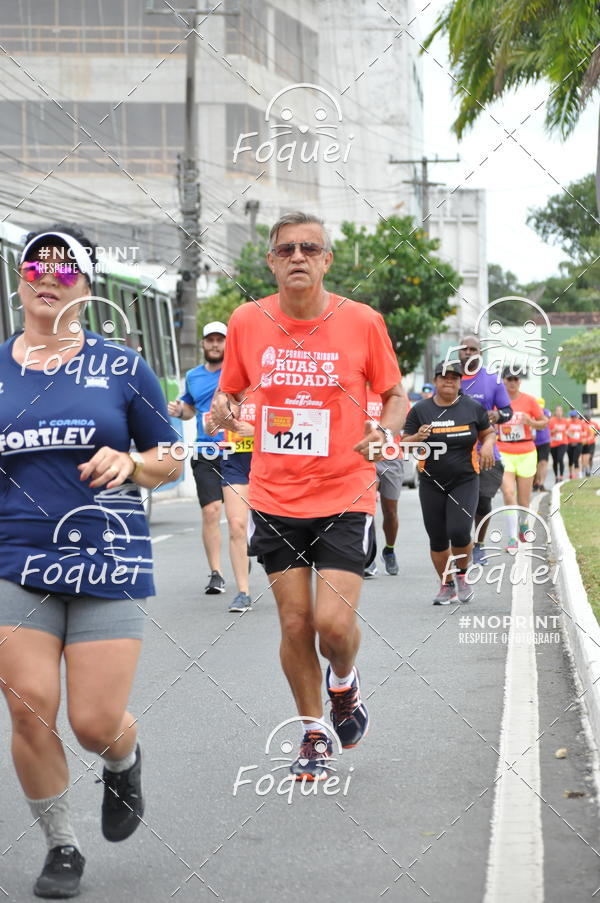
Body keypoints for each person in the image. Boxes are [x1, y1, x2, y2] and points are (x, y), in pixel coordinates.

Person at [0, 228, 182, 898]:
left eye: (66, 268)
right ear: (20, 277)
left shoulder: (121, 366)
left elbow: (170, 457)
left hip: (108, 555)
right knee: (28, 706)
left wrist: (132, 462)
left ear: (87, 285)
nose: (50, 276)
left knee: (94, 721)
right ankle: (62, 845)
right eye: (37, 264)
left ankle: (123, 759)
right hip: (14, 555)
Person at [211, 212, 406, 780]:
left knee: (333, 627)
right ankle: (313, 731)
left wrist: (385, 432)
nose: (298, 256)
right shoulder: (247, 320)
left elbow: (394, 393)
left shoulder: (362, 321)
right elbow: (230, 399)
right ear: (271, 261)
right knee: (295, 626)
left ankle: (343, 682)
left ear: (326, 260)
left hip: (346, 491)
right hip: (275, 496)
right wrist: (225, 411)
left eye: (310, 248)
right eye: (286, 249)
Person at [402, 360, 496, 605]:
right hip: (431, 482)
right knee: (437, 537)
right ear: (435, 381)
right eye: (444, 377)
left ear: (460, 381)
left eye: (454, 377)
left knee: (459, 531)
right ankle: (446, 585)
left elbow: (488, 431)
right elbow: (404, 443)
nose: (449, 381)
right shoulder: (420, 410)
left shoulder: (472, 408)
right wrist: (416, 437)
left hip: (464, 480)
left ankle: (462, 576)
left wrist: (487, 446)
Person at [168, 322, 227, 594]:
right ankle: (216, 572)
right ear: (203, 344)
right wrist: (181, 410)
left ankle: (244, 550)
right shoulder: (193, 376)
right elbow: (190, 409)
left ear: (227, 344)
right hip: (206, 451)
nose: (215, 345)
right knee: (210, 511)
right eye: (210, 340)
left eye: (220, 340)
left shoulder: (237, 371)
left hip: (238, 450)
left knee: (244, 517)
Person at [458, 334, 512, 565]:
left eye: (474, 349)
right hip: (456, 451)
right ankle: (460, 545)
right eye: (465, 349)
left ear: (480, 353)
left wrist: (498, 414)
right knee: (458, 503)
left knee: (482, 501)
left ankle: (478, 544)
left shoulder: (492, 379)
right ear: (459, 352)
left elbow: (508, 411)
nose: (469, 352)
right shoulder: (450, 377)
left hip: (485, 451)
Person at [210, 392, 255, 612]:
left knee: (272, 527)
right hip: (234, 460)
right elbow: (210, 429)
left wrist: (257, 431)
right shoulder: (225, 389)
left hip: (270, 462)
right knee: (236, 524)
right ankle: (243, 592)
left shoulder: (272, 378)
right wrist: (219, 420)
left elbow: (292, 421)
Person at [497, 369, 548, 550]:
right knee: (509, 493)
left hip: (526, 451)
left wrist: (531, 422)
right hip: (504, 451)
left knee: (524, 501)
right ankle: (512, 538)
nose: (512, 382)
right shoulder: (498, 401)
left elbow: (544, 422)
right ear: (503, 380)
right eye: (509, 379)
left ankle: (523, 523)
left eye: (516, 379)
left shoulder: (529, 400)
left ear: (520, 381)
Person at [364, 387, 405, 577]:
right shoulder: (357, 389)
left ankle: (389, 549)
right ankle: (367, 558)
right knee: (366, 508)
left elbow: (405, 423)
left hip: (391, 457)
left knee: (390, 513)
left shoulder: (395, 394)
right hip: (365, 456)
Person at [533, 397, 552, 491]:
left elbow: (546, 420)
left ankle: (541, 483)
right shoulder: (531, 413)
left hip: (544, 441)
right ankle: (535, 482)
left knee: (543, 462)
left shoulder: (546, 412)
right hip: (533, 442)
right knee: (535, 464)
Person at [549, 405, 568, 482]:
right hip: (553, 443)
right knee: (555, 460)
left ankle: (561, 476)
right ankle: (556, 476)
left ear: (562, 412)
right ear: (555, 412)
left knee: (560, 458)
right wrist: (553, 431)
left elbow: (569, 429)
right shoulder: (551, 421)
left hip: (563, 442)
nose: (559, 412)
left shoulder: (565, 421)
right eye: (557, 411)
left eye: (560, 411)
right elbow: (547, 432)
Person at [566, 410, 584, 479]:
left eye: (574, 416)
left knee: (575, 459)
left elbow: (584, 432)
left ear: (577, 416)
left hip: (578, 443)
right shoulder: (568, 423)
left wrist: (579, 434)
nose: (573, 418)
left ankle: (578, 474)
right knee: (570, 459)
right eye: (572, 416)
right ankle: (571, 474)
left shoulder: (580, 423)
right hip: (570, 443)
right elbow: (565, 432)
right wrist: (569, 434)